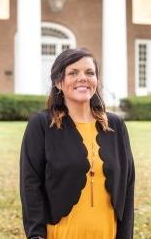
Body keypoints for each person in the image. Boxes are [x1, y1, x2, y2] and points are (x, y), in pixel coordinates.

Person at [20, 48, 135, 239]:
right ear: (58, 82)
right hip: (61, 233)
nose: (83, 78)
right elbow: (30, 184)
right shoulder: (42, 125)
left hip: (107, 232)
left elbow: (127, 187)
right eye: (73, 73)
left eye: (89, 73)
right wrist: (36, 235)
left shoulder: (115, 126)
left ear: (96, 81)